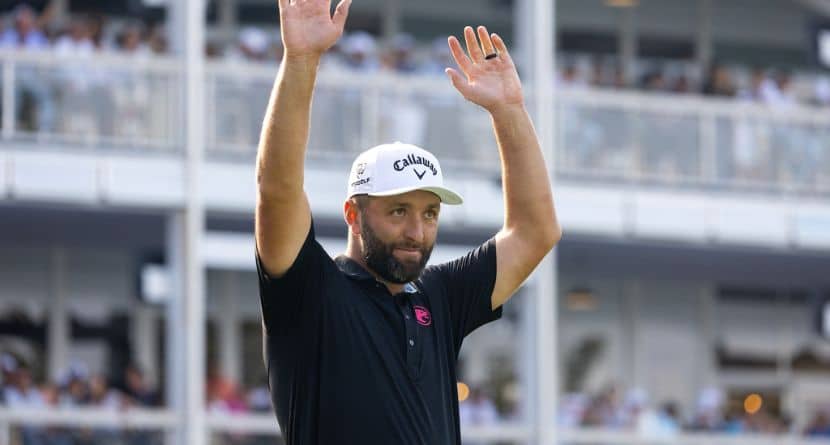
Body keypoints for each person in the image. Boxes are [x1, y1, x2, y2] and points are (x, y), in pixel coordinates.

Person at [254, 0, 561, 443]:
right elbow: (276, 188)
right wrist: (301, 60)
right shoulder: (309, 289)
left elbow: (537, 232)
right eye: (398, 211)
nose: (417, 232)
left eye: (430, 214)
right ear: (353, 214)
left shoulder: (439, 297)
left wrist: (510, 111)